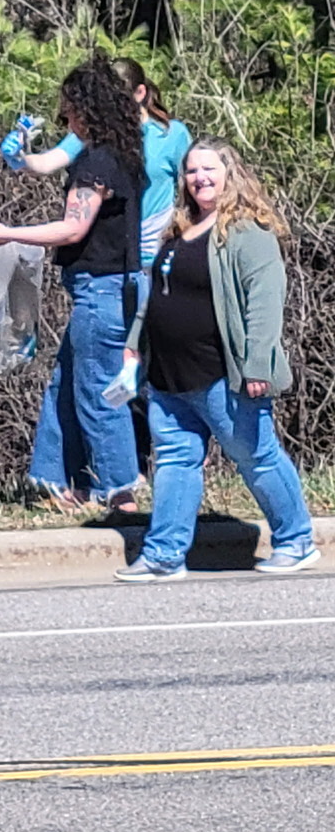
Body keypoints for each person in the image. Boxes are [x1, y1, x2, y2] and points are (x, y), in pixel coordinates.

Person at [115, 136, 320, 581]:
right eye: (191, 171)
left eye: (209, 169)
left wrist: (255, 367)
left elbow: (264, 304)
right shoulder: (178, 229)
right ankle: (164, 554)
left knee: (257, 457)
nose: (199, 178)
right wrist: (135, 341)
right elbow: (156, 296)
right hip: (169, 376)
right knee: (173, 460)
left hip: (222, 376)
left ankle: (297, 540)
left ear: (231, 174)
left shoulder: (248, 232)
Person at [0, 56, 146, 513]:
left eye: (68, 110)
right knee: (65, 383)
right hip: (113, 288)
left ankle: (121, 495)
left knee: (99, 393)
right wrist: (19, 156)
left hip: (102, 292)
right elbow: (45, 163)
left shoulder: (97, 163)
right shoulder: (121, 154)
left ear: (86, 109)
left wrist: (9, 233)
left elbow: (73, 228)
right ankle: (64, 485)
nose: (63, 119)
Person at [0, 58, 192, 276]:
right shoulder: (97, 134)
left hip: (157, 250)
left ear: (140, 93)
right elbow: (47, 162)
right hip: (117, 254)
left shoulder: (171, 134)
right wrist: (20, 157)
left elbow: (190, 189)